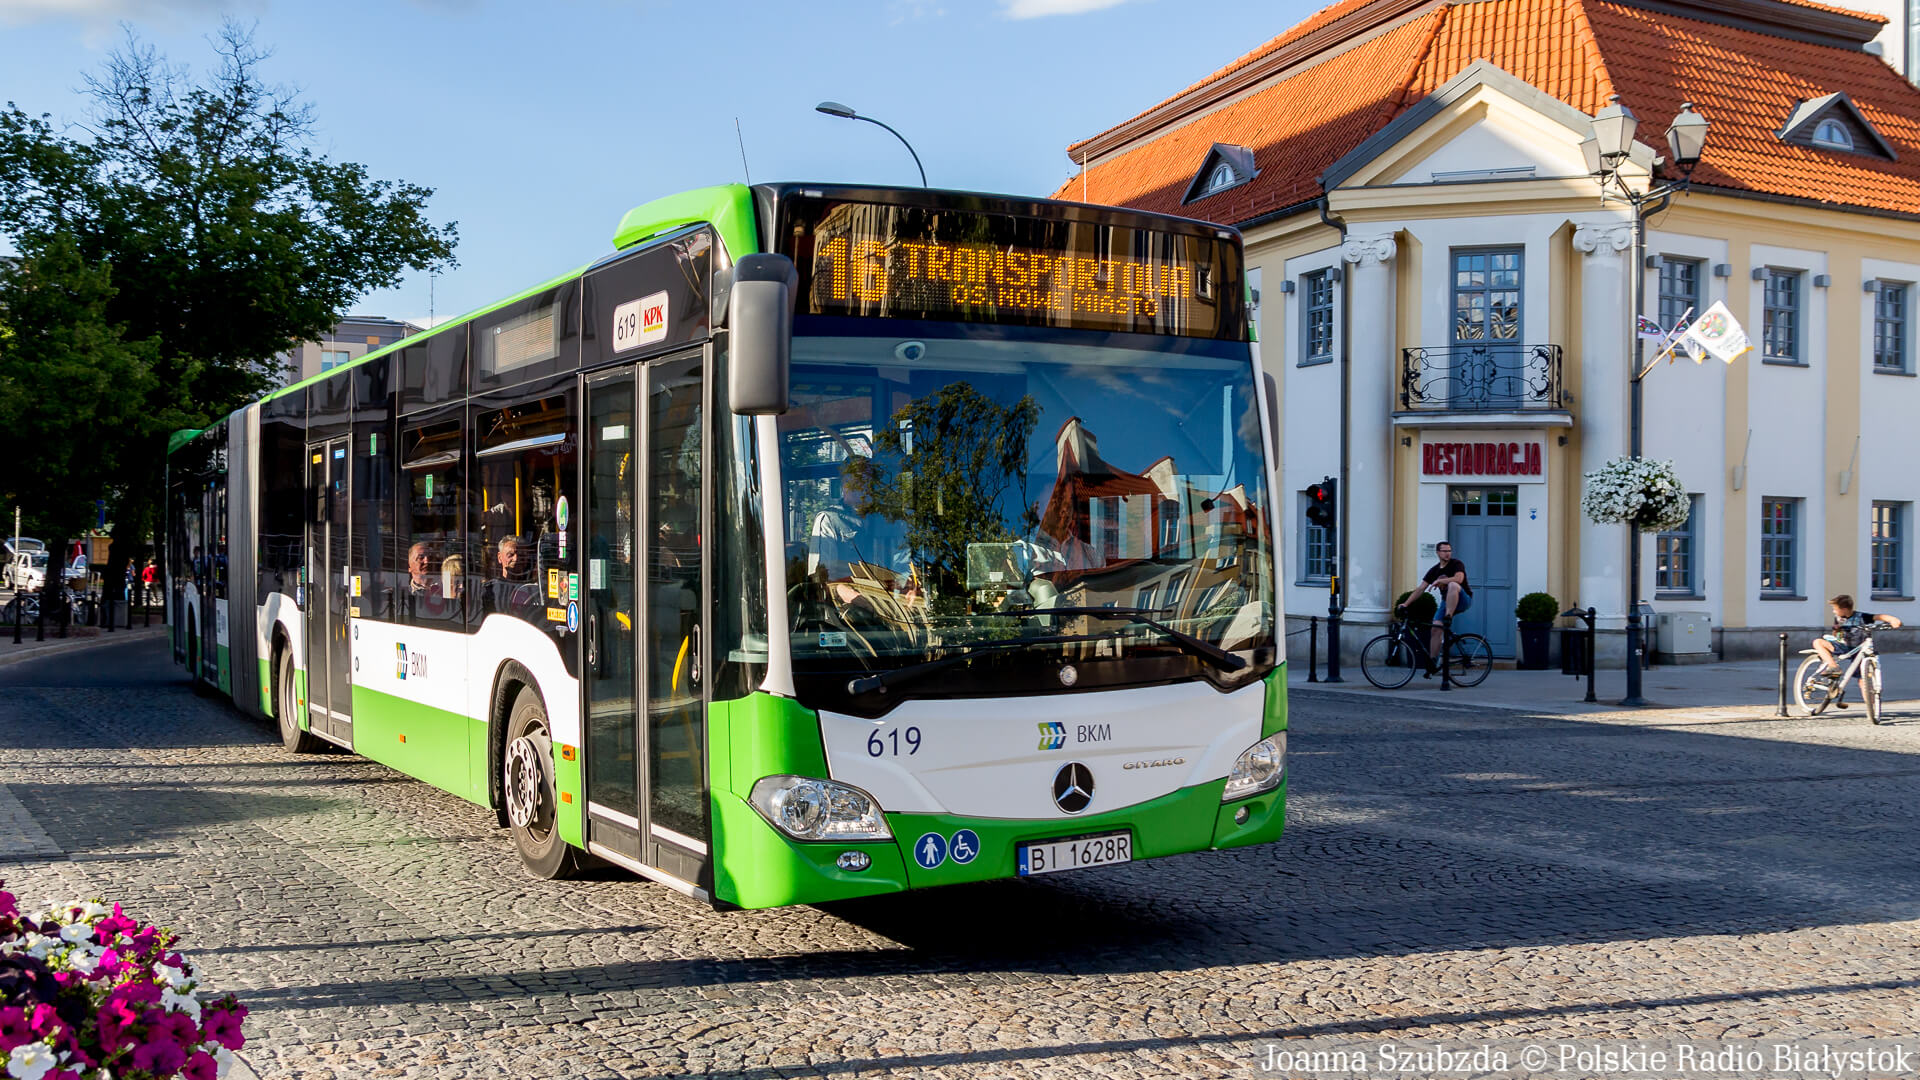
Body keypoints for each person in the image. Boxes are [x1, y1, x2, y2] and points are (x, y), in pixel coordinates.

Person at [1397, 540, 1472, 673]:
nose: (1447, 553)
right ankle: (1432, 663)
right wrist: (1406, 604)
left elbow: (1459, 579)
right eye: (1444, 551)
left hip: (1463, 599)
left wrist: (1441, 580)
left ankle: (1448, 616)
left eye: (1449, 551)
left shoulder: (1456, 564)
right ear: (1438, 553)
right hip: (1446, 602)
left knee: (1453, 585)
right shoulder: (1434, 570)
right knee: (1436, 628)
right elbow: (1421, 589)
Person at [1812, 594, 1901, 682]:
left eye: (1835, 609)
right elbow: (1838, 634)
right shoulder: (1839, 619)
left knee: (1862, 678)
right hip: (1844, 647)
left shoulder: (1861, 616)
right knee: (1818, 642)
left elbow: (1878, 616)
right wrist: (1836, 632)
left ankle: (1870, 693)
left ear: (1844, 609)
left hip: (1859, 650)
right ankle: (1833, 666)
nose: (1834, 611)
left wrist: (1892, 619)